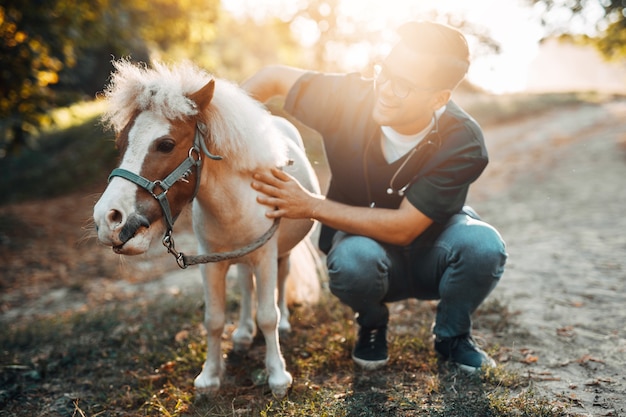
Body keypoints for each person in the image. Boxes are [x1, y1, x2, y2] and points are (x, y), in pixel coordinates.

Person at [245, 21, 507, 372]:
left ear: (438, 99)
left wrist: (309, 204)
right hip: (364, 253)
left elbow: (403, 228)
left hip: (434, 253)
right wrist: (215, 126)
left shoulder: (464, 141)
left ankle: (453, 336)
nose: (384, 89)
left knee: (483, 246)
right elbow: (272, 78)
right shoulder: (349, 96)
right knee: (352, 259)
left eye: (403, 85)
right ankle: (371, 323)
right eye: (385, 71)